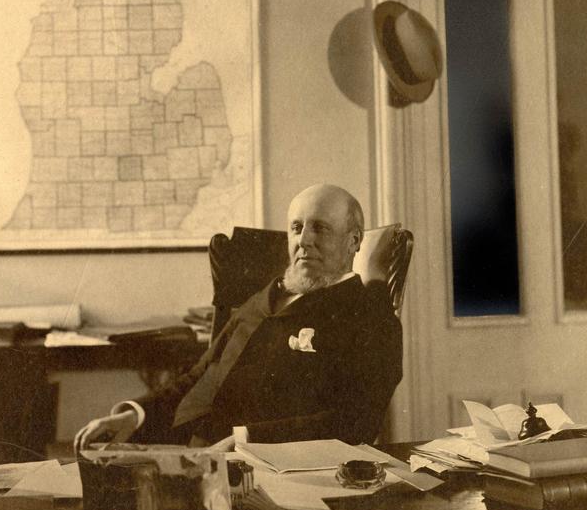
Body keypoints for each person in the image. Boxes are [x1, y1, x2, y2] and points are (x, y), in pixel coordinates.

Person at [74, 184, 403, 451]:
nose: (304, 241)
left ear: (354, 241)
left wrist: (248, 441)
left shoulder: (370, 317)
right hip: (190, 451)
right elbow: (203, 374)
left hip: (272, 471)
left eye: (320, 228)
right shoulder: (264, 298)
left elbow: (355, 422)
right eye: (296, 228)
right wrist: (137, 415)